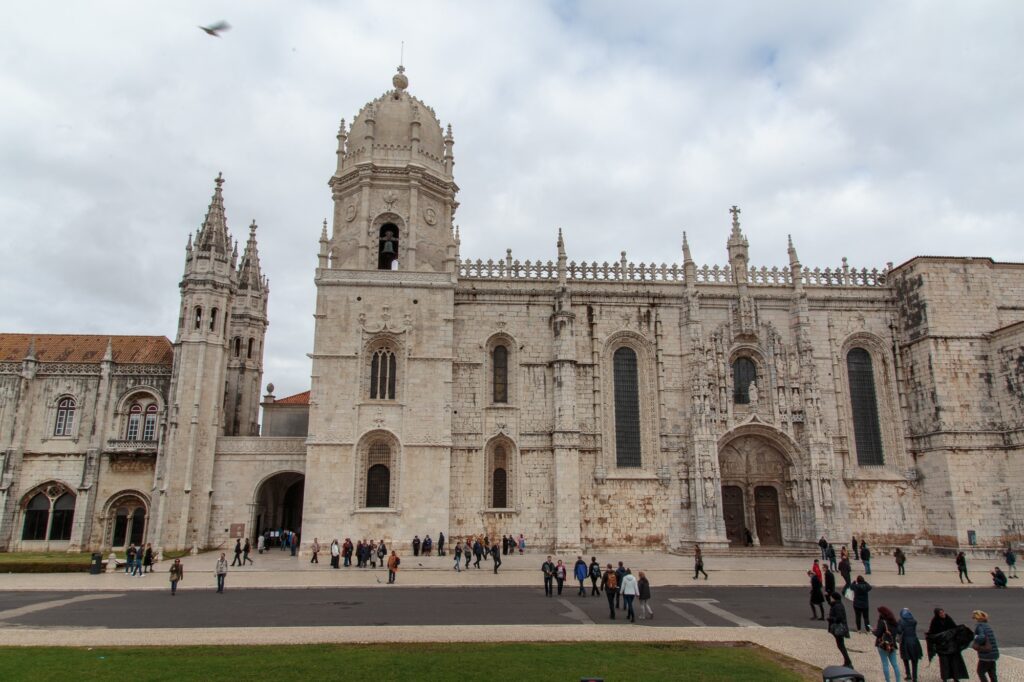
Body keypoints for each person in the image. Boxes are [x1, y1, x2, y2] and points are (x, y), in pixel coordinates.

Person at [925, 607, 969, 682]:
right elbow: (933, 634)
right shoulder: (935, 622)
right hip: (942, 648)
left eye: (943, 612)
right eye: (941, 613)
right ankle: (945, 678)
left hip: (952, 647)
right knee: (944, 664)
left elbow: (954, 629)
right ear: (937, 614)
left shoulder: (948, 619)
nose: (943, 614)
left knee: (954, 663)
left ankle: (956, 678)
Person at [873, 606, 901, 682]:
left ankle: (888, 681)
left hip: (883, 645)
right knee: (895, 665)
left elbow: (878, 634)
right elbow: (898, 632)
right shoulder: (894, 622)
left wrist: (873, 631)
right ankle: (898, 680)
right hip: (892, 645)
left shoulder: (882, 622)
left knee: (885, 664)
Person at [827, 591, 853, 668]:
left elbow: (839, 618)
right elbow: (830, 603)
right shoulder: (837, 604)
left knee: (841, 645)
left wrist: (831, 619)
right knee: (840, 645)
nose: (830, 599)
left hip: (839, 628)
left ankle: (848, 662)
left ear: (834, 598)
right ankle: (847, 662)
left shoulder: (837, 606)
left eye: (831, 597)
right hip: (838, 627)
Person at [896, 607, 923, 682]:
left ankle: (908, 674)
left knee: (905, 658)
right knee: (915, 660)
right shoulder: (914, 621)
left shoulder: (901, 621)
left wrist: (898, 624)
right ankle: (915, 677)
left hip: (905, 641)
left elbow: (899, 631)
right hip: (914, 641)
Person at [972, 610, 999, 682]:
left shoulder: (980, 626)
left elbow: (981, 637)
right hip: (993, 654)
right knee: (992, 673)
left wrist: (975, 637)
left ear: (977, 618)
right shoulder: (987, 626)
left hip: (986, 655)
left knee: (980, 672)